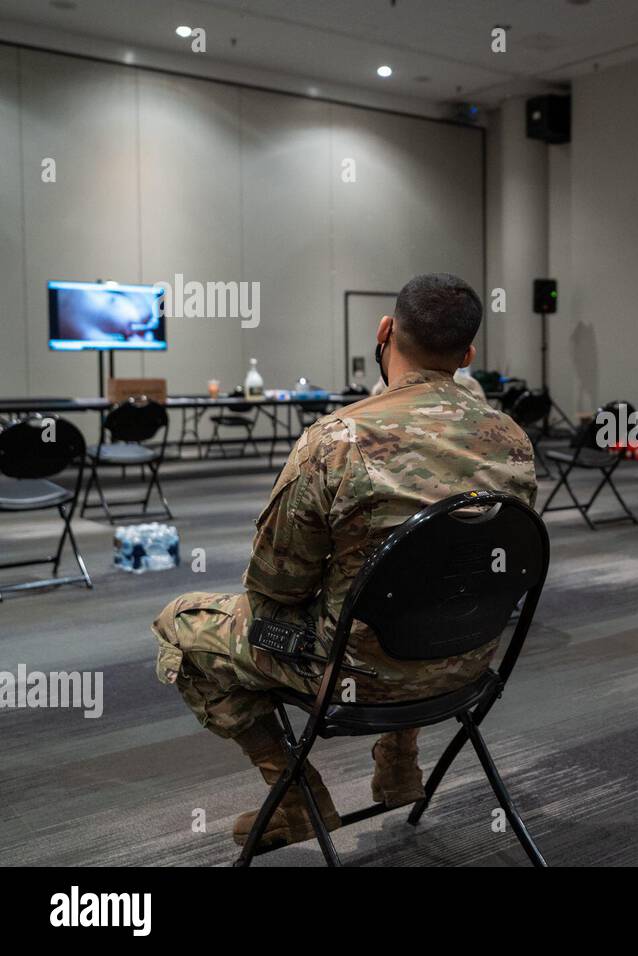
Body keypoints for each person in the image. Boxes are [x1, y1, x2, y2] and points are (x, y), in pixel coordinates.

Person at [152, 273, 537, 850]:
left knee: (181, 625)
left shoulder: (337, 440)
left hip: (355, 675)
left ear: (384, 332)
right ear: (468, 354)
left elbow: (275, 587)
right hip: (467, 665)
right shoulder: (512, 442)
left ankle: (295, 797)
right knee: (422, 596)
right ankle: (400, 764)